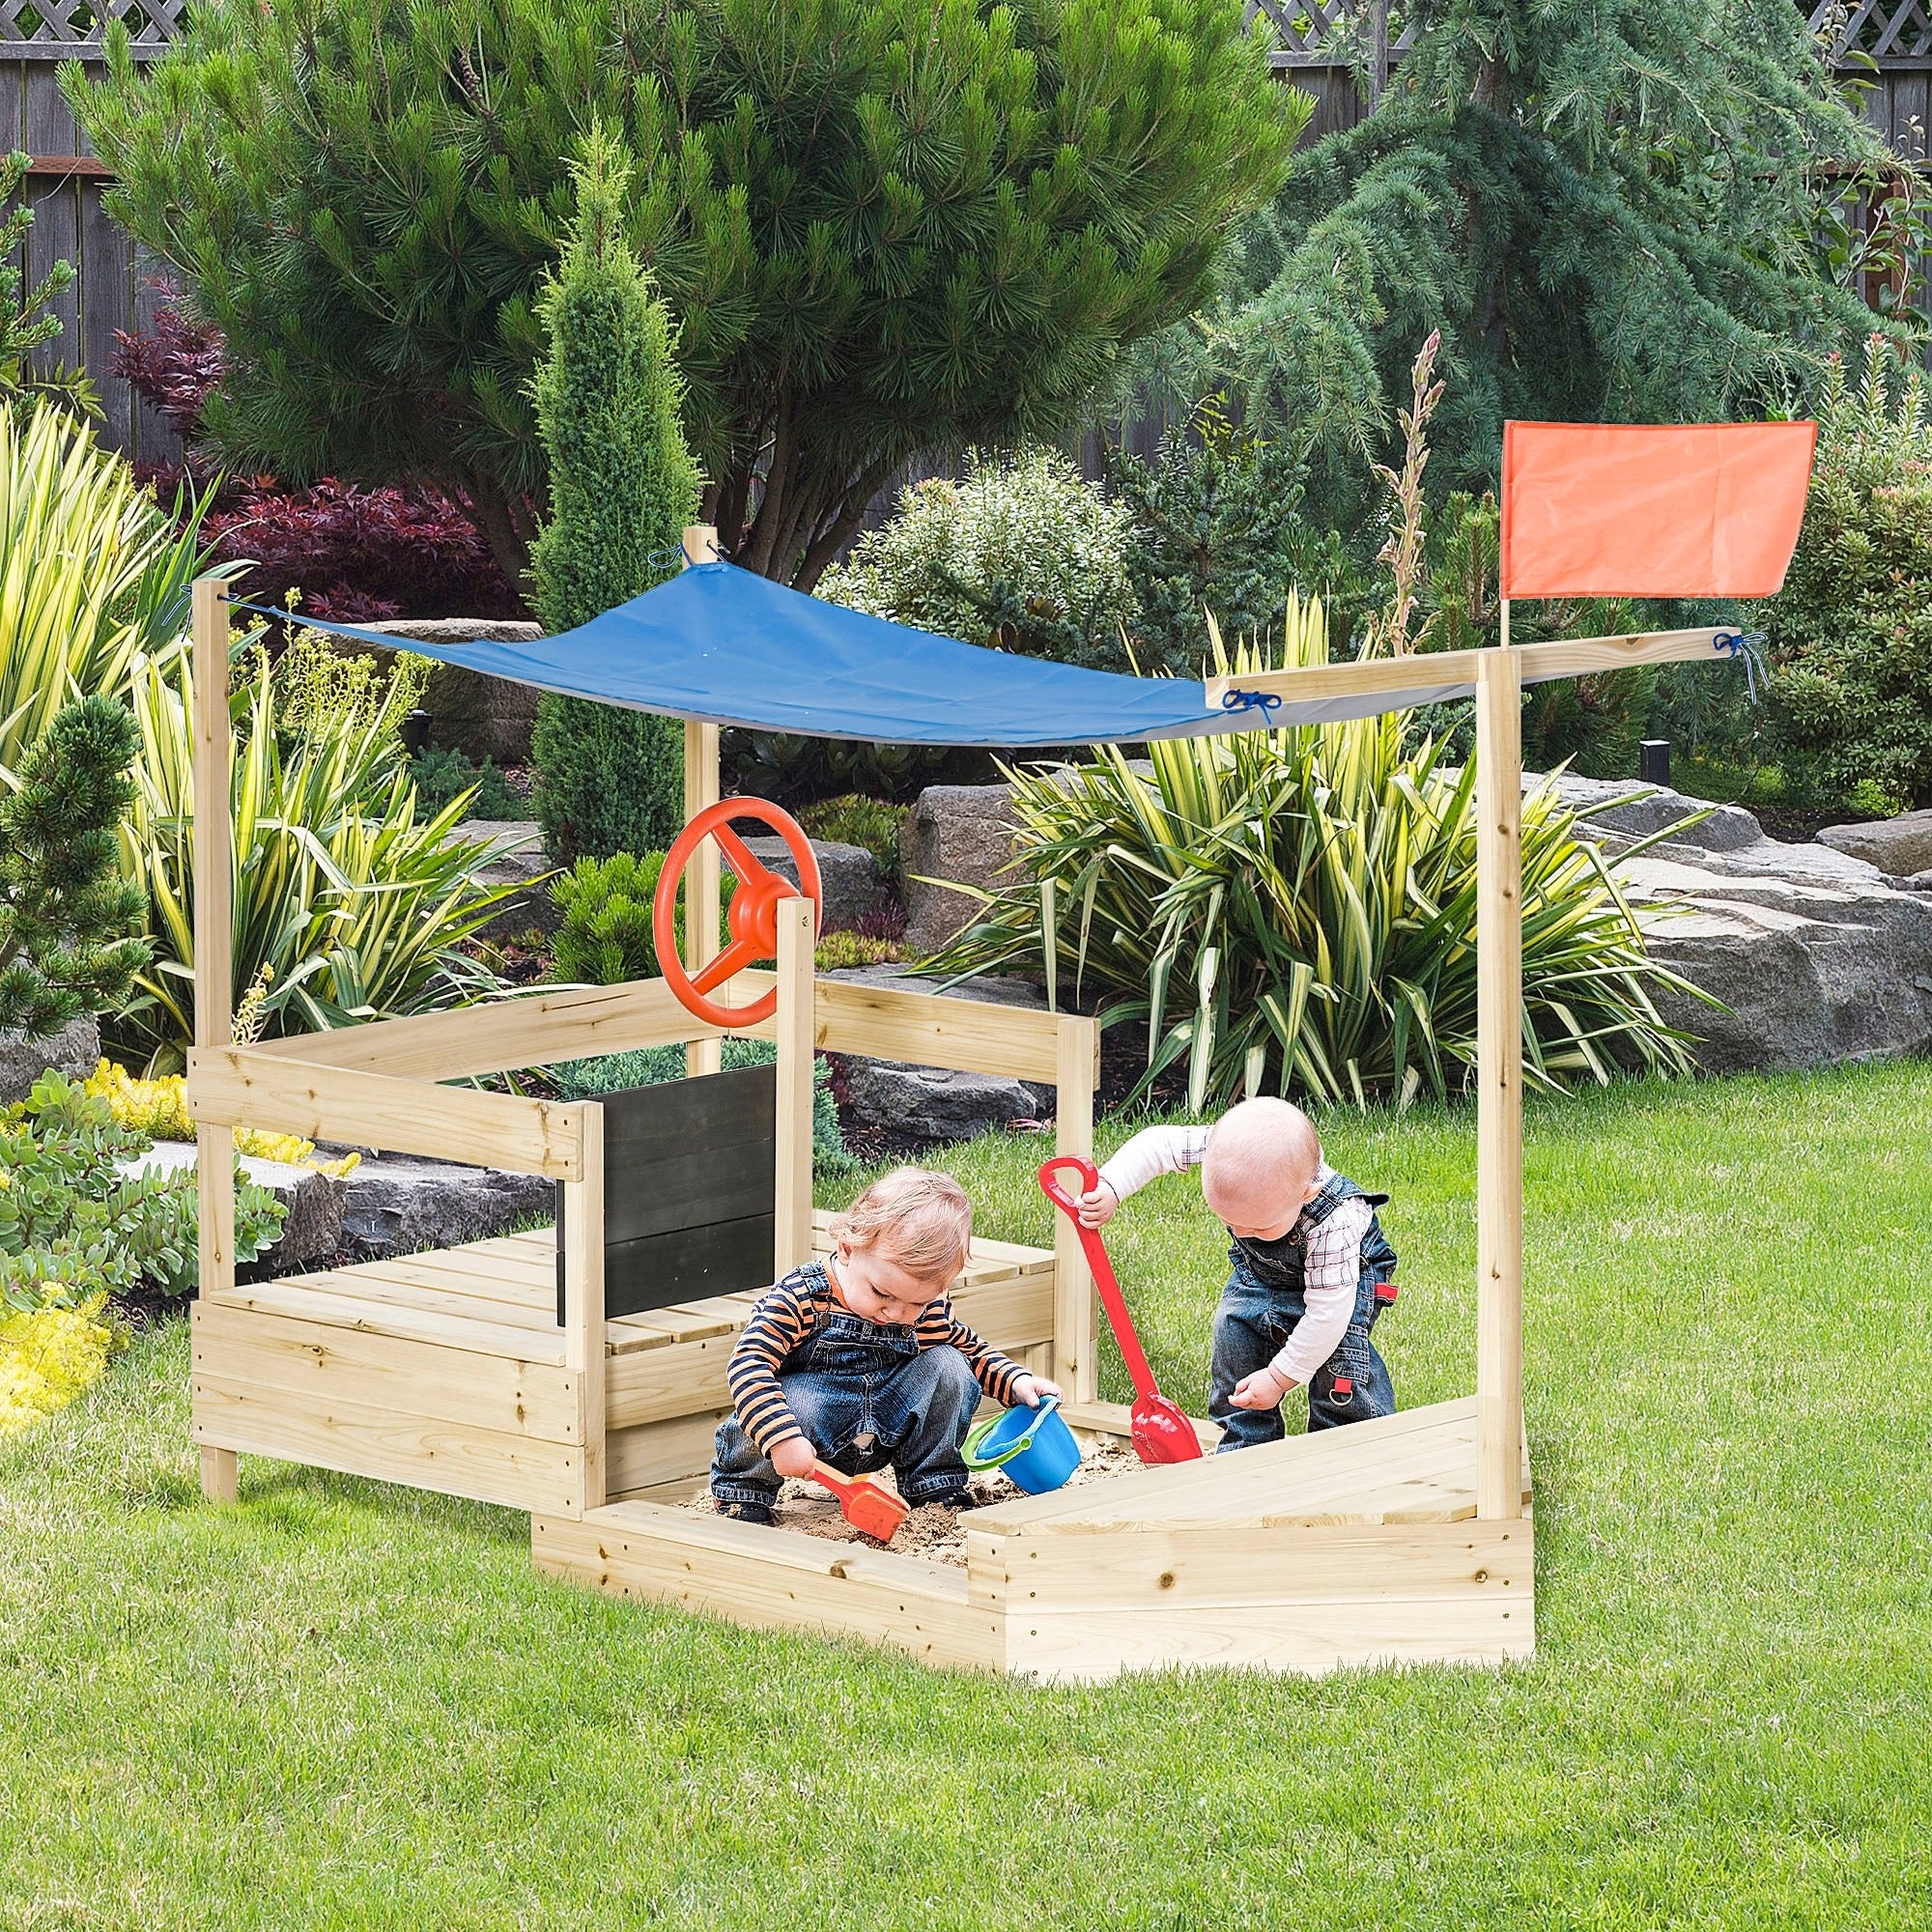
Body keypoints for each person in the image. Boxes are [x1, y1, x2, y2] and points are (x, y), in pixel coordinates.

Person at [711, 1166, 1061, 1523]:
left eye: (917, 1304)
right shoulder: (802, 1297)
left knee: (951, 1367)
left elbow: (969, 1349)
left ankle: (935, 1486)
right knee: (781, 1400)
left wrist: (1016, 1381)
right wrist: (779, 1437)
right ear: (848, 1249)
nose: (896, 1313)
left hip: (883, 1426)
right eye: (882, 1293)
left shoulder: (925, 1313)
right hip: (803, 1432)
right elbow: (748, 1364)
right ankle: (744, 1493)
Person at [1076, 1097, 1397, 1451]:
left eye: (1258, 1228)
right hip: (1261, 1275)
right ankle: (1244, 1445)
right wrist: (1111, 1187)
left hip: (1345, 1281)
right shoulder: (1225, 1147)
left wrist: (1278, 1378)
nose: (1242, 1234)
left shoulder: (1336, 1221)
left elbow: (1326, 1315)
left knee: (1338, 1361)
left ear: (1307, 1193)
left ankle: (1350, 1447)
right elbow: (1158, 1145)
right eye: (1230, 1223)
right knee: (1234, 1333)